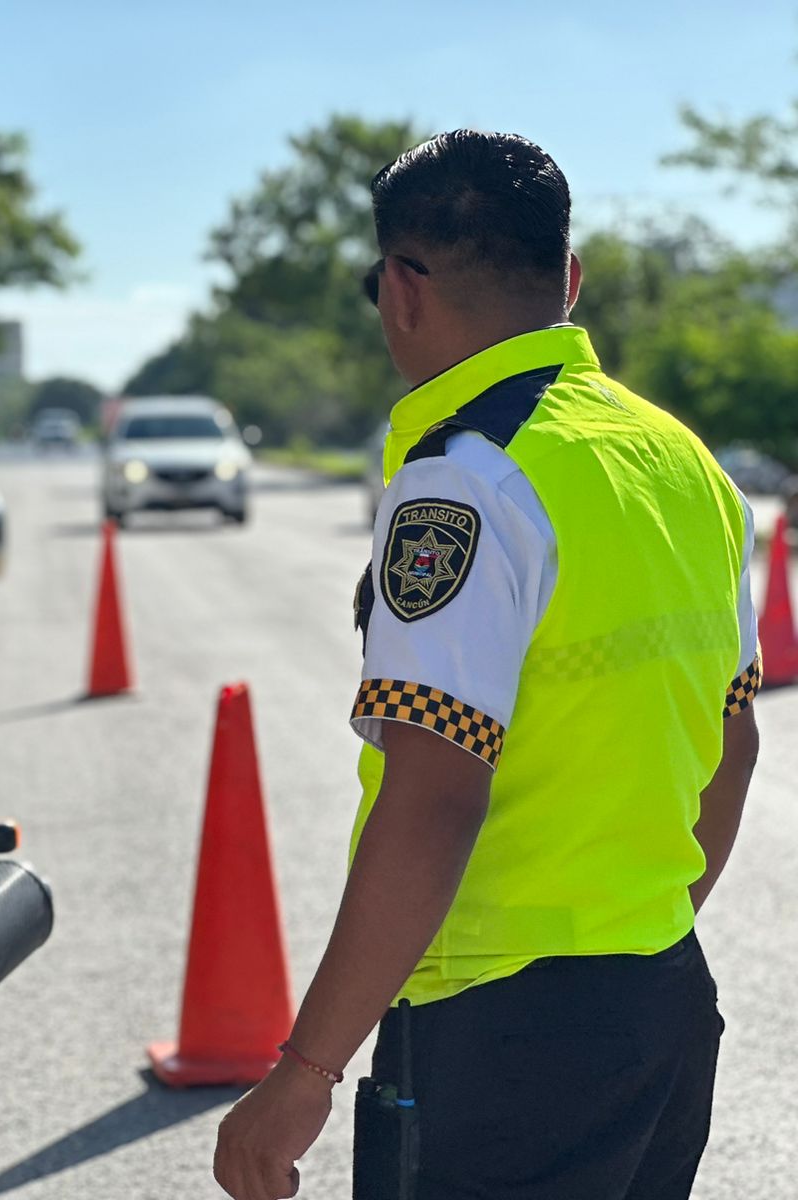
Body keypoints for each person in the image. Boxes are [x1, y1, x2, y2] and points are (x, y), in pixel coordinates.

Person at [213, 131, 761, 1200]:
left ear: (401, 291)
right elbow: (731, 741)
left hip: (497, 1029)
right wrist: (640, 932)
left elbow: (433, 798)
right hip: (663, 997)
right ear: (568, 279)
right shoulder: (680, 463)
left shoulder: (462, 486)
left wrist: (304, 1072)